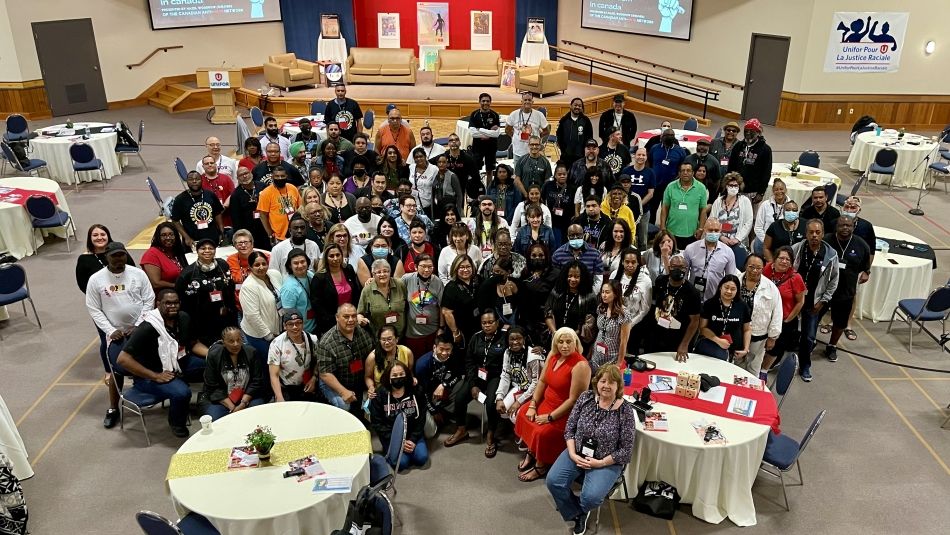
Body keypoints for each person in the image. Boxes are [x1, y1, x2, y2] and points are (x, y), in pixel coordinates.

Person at [546, 364, 635, 535]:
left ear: (619, 386)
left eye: (612, 382)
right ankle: (577, 513)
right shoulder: (585, 397)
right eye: (603, 381)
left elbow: (626, 450)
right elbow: (570, 428)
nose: (606, 386)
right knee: (553, 481)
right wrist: (572, 453)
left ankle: (582, 507)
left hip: (607, 460)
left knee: (591, 498)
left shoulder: (626, 411)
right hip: (578, 451)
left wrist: (600, 462)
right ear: (596, 382)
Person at [115, 289, 206, 437]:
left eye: (175, 303)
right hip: (149, 376)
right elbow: (123, 360)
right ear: (158, 304)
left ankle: (207, 403)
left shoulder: (183, 318)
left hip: (177, 363)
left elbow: (192, 344)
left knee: (211, 366)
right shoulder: (147, 327)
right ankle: (177, 423)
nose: (172, 306)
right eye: (167, 303)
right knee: (182, 393)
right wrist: (155, 376)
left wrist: (213, 355)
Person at [85, 241, 154, 429]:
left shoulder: (138, 274)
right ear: (106, 257)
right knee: (117, 370)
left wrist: (139, 325)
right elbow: (94, 309)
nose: (119, 259)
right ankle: (113, 408)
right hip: (115, 333)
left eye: (122, 255)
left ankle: (148, 392)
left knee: (148, 361)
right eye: (114, 256)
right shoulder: (96, 279)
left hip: (141, 330)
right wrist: (110, 330)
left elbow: (149, 300)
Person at [514, 327, 592, 482]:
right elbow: (542, 381)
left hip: (564, 411)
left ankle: (541, 465)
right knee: (523, 413)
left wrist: (550, 417)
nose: (564, 346)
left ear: (575, 343)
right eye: (560, 342)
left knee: (542, 432)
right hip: (546, 402)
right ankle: (532, 451)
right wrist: (533, 404)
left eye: (569, 342)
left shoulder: (581, 366)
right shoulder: (553, 355)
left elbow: (574, 401)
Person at [444, 310, 508, 455]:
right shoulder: (476, 337)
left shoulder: (505, 337)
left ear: (497, 323)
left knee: (491, 402)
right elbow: (469, 361)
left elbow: (520, 343)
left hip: (495, 376)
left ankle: (491, 434)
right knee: (460, 399)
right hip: (477, 376)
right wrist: (473, 385)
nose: (487, 326)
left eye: (490, 322)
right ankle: (461, 430)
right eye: (484, 323)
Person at [791, 219, 839, 382]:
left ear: (823, 234)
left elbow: (834, 281)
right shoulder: (796, 249)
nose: (814, 235)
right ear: (806, 234)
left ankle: (805, 366)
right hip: (794, 300)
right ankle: (777, 360)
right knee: (783, 331)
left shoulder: (830, 255)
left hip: (813, 303)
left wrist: (823, 300)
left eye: (818, 232)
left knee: (809, 336)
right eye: (811, 232)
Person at [820, 217, 871, 363]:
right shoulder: (826, 240)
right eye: (842, 225)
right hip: (823, 290)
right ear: (836, 226)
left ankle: (832, 345)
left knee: (840, 323)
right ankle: (809, 341)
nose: (845, 228)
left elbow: (865, 266)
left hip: (845, 292)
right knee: (814, 318)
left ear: (853, 227)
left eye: (848, 225)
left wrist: (867, 272)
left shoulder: (861, 245)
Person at [176, 238, 238, 346]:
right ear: (197, 251)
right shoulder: (188, 274)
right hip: (203, 322)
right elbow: (183, 300)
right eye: (203, 248)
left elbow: (230, 288)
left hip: (225, 318)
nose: (207, 251)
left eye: (210, 248)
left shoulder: (222, 265)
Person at [317, 303, 375, 416]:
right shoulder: (326, 343)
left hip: (358, 379)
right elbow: (325, 374)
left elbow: (372, 353)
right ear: (337, 318)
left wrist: (372, 384)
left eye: (354, 316)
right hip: (334, 382)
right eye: (346, 316)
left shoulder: (362, 332)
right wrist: (343, 391)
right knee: (344, 406)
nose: (351, 320)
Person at [371, 361, 429, 470]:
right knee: (402, 464)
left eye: (402, 374)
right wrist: (400, 441)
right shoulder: (379, 394)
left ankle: (412, 446)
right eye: (394, 375)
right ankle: (390, 450)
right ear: (388, 377)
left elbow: (421, 418)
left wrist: (413, 439)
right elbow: (377, 423)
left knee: (422, 458)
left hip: (413, 432)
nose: (398, 378)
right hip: (391, 436)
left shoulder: (416, 390)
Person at [200, 326, 267, 420]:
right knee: (216, 420)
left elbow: (257, 381)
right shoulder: (214, 355)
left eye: (238, 340)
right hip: (221, 399)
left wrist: (243, 403)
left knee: (257, 416)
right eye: (231, 341)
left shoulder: (251, 352)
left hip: (247, 396)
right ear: (223, 343)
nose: (236, 344)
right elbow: (212, 386)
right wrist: (233, 408)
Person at [761, 246, 806, 381]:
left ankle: (764, 370)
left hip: (783, 321)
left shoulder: (796, 278)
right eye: (781, 258)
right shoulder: (766, 269)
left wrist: (787, 320)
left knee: (774, 348)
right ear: (774, 259)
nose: (784, 261)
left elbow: (800, 302)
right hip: (763, 317)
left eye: (788, 259)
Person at [735, 254, 783, 376]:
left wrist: (773, 337)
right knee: (734, 365)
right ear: (745, 266)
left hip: (758, 334)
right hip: (737, 331)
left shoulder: (770, 288)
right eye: (751, 267)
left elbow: (777, 313)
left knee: (753, 367)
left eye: (758, 268)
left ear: (763, 268)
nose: (754, 271)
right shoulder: (735, 280)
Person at [648, 254, 702, 361]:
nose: (678, 270)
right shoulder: (660, 281)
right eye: (674, 266)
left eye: (681, 267)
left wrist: (684, 344)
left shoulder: (693, 293)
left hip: (677, 338)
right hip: (657, 334)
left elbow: (695, 322)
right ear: (669, 268)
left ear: (686, 269)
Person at [495, 326, 544, 427]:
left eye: (519, 338)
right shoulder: (507, 353)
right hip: (519, 387)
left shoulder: (533, 356)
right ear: (507, 340)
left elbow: (536, 383)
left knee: (515, 415)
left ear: (524, 339)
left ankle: (523, 437)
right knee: (503, 411)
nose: (515, 342)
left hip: (534, 390)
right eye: (512, 339)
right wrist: (499, 397)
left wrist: (519, 402)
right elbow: (505, 375)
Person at [238, 251, 283, 363]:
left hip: (278, 329)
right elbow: (252, 316)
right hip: (259, 335)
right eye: (256, 265)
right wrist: (268, 336)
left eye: (264, 263)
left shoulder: (274, 274)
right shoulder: (248, 287)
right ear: (250, 267)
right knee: (267, 364)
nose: (261, 267)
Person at [694, 274, 751, 360]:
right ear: (720, 287)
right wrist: (718, 340)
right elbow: (702, 328)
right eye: (726, 287)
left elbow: (747, 329)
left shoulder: (743, 306)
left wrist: (746, 349)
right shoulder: (709, 304)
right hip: (710, 348)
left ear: (737, 290)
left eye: (733, 289)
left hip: (733, 353)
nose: (729, 291)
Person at [415, 334, 466, 427]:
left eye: (448, 349)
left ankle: (447, 412)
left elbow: (459, 375)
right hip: (427, 397)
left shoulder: (455, 356)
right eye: (441, 349)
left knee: (463, 384)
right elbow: (421, 392)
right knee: (429, 432)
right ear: (434, 347)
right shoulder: (422, 364)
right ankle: (437, 413)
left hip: (444, 390)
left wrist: (444, 385)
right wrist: (433, 411)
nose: (444, 353)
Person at [268, 310, 320, 402]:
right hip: (287, 387)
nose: (295, 327)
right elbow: (274, 375)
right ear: (284, 326)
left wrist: (314, 378)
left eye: (298, 323)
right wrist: (279, 397)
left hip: (307, 383)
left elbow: (318, 361)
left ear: (303, 324)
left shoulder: (312, 339)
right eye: (290, 324)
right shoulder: (276, 344)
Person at [310, 244, 362, 335]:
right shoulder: (319, 278)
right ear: (326, 258)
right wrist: (337, 321)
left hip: (351, 319)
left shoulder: (348, 269)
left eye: (338, 255)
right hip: (331, 324)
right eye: (331, 256)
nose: (335, 258)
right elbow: (317, 305)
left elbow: (356, 293)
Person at [683, 217, 738, 302]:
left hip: (715, 298)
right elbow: (684, 275)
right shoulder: (691, 248)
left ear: (720, 231)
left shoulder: (728, 252)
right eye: (710, 230)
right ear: (704, 230)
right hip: (692, 297)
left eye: (716, 231)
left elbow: (730, 279)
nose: (713, 233)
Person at [544, 261, 599, 342]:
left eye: (577, 276)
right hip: (555, 337)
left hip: (577, 339)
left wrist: (570, 337)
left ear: (583, 278)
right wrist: (555, 332)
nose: (573, 279)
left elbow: (590, 324)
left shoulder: (590, 296)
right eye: (570, 276)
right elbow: (547, 312)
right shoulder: (557, 291)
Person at [709, 172, 754, 269]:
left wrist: (737, 239)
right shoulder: (718, 201)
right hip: (719, 240)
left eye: (736, 185)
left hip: (737, 242)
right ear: (726, 186)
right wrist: (721, 237)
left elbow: (748, 222)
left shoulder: (745, 201)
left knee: (737, 267)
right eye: (731, 185)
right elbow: (711, 220)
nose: (733, 188)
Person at [402, 254, 444, 356]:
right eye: (423, 266)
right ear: (416, 267)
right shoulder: (407, 279)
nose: (426, 270)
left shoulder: (437, 282)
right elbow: (392, 285)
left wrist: (441, 328)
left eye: (430, 267)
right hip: (413, 333)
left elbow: (442, 307)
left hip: (432, 331)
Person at [660, 162, 708, 250]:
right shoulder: (670, 187)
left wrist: (701, 228)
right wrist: (663, 228)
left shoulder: (701, 188)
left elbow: (703, 210)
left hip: (692, 233)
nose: (685, 173)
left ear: (693, 173)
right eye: (683, 170)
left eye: (688, 170)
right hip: (672, 232)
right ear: (679, 173)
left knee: (689, 260)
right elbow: (665, 208)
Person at [613, 247, 653, 354]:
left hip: (634, 325)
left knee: (629, 355)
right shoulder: (615, 275)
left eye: (633, 262)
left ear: (638, 263)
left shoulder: (645, 280)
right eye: (627, 262)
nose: (630, 265)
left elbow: (645, 309)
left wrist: (629, 325)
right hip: (614, 322)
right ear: (622, 262)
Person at [172, 171, 225, 248]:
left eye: (197, 179)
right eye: (191, 179)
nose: (194, 181)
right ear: (187, 182)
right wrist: (186, 237)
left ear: (201, 180)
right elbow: (175, 220)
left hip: (213, 239)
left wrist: (221, 231)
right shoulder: (180, 199)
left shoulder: (210, 194)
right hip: (192, 241)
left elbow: (217, 213)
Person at [357, 259, 408, 337]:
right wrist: (360, 319)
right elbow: (360, 313)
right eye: (378, 272)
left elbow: (408, 303)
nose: (382, 274)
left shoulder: (400, 285)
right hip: (379, 337)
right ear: (373, 274)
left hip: (400, 335)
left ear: (390, 272)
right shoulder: (367, 290)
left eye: (385, 271)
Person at [591, 280, 632, 374]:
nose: (604, 295)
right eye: (602, 292)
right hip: (597, 355)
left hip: (612, 357)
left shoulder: (624, 313)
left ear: (616, 294)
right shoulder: (601, 308)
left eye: (607, 292)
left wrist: (619, 364)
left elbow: (624, 341)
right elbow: (599, 332)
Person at [727, 118, 773, 203]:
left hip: (753, 192)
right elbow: (731, 167)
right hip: (736, 189)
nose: (748, 133)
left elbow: (766, 173)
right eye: (746, 130)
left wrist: (761, 193)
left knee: (749, 216)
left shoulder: (765, 150)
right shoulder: (738, 146)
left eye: (751, 131)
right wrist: (729, 185)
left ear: (758, 133)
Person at [441, 255, 481, 346]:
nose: (465, 270)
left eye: (468, 266)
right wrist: (455, 332)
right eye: (461, 267)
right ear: (455, 268)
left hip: (478, 326)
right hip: (461, 330)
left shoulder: (478, 280)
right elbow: (447, 312)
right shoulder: (451, 287)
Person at [365, 325, 414, 397]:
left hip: (402, 390)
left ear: (397, 339)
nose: (386, 343)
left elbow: (410, 372)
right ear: (379, 340)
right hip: (381, 394)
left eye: (389, 339)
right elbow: (368, 377)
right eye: (383, 340)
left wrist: (413, 379)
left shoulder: (407, 352)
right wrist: (371, 387)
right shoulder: (372, 357)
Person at [257, 167, 302, 245]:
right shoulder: (266, 193)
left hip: (296, 233)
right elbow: (262, 215)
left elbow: (300, 208)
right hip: (279, 237)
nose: (280, 178)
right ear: (272, 177)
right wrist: (270, 234)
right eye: (277, 176)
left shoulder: (293, 188)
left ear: (286, 176)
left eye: (282, 176)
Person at [552, 224, 605, 290]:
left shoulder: (595, 254)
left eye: (578, 235)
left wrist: (590, 295)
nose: (575, 237)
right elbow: (555, 278)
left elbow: (598, 279)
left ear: (583, 235)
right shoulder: (558, 254)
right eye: (572, 235)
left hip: (588, 293)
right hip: (564, 293)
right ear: (567, 237)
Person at [621, 147, 655, 247]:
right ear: (634, 156)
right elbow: (621, 190)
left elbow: (651, 193)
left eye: (643, 155)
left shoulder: (650, 173)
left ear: (646, 157)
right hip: (626, 210)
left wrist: (638, 205)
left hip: (643, 211)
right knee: (627, 237)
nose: (641, 157)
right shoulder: (626, 170)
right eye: (639, 155)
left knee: (643, 240)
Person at [505, 92, 550, 168]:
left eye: (529, 100)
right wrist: (515, 136)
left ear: (532, 102)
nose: (527, 102)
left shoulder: (539, 115)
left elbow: (547, 130)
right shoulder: (514, 114)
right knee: (518, 176)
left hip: (534, 152)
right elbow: (507, 129)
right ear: (521, 102)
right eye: (525, 100)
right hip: (518, 151)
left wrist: (538, 137)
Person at [230, 166, 270, 249]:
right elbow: (236, 219)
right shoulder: (235, 195)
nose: (245, 176)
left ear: (251, 173)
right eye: (241, 175)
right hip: (249, 233)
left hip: (266, 228)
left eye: (246, 173)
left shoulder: (262, 186)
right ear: (237, 178)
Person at [139, 223, 186, 291]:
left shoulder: (176, 251)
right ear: (158, 237)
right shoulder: (151, 254)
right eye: (163, 235)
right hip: (163, 296)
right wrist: (178, 286)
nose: (168, 238)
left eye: (171, 234)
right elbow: (156, 283)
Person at [478, 256, 520, 326]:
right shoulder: (487, 286)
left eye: (498, 272)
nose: (495, 274)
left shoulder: (517, 283)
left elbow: (525, 304)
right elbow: (483, 309)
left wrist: (517, 292)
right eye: (494, 271)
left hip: (516, 323)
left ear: (508, 271)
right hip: (496, 324)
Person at [542, 164, 576, 247]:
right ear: (555, 175)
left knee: (565, 245)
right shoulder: (548, 185)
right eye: (559, 174)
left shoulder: (572, 188)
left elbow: (576, 204)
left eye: (564, 174)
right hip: (552, 221)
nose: (562, 176)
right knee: (555, 245)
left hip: (567, 221)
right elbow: (541, 199)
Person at [469, 92, 502, 178]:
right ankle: (478, 188)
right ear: (479, 102)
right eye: (483, 101)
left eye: (487, 101)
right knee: (476, 169)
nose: (485, 103)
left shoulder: (495, 115)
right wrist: (489, 132)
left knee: (490, 170)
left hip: (491, 147)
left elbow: (496, 134)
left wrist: (480, 130)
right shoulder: (474, 115)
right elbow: (473, 133)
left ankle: (489, 190)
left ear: (490, 102)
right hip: (477, 147)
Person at [753, 179, 789, 256]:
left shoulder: (791, 205)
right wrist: (767, 242)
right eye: (776, 189)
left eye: (781, 189)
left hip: (783, 242)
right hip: (764, 240)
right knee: (757, 243)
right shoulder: (765, 205)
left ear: (786, 190)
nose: (779, 191)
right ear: (773, 191)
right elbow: (758, 227)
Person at [650, 128, 688, 200]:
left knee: (667, 209)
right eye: (667, 135)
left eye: (672, 135)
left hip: (672, 186)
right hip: (655, 185)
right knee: (652, 208)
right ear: (662, 137)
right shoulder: (654, 148)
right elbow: (650, 162)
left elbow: (682, 167)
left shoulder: (680, 151)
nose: (669, 137)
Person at [199, 155, 235, 228]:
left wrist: (224, 206)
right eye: (207, 163)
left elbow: (233, 194)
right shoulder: (199, 180)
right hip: (209, 223)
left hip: (227, 221)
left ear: (216, 165)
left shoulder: (226, 178)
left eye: (212, 163)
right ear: (203, 166)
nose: (210, 165)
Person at [556, 98, 595, 168]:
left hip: (581, 157)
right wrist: (564, 149)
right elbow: (559, 136)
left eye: (580, 106)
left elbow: (589, 138)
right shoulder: (564, 120)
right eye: (575, 105)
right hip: (566, 157)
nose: (577, 107)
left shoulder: (586, 120)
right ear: (570, 106)